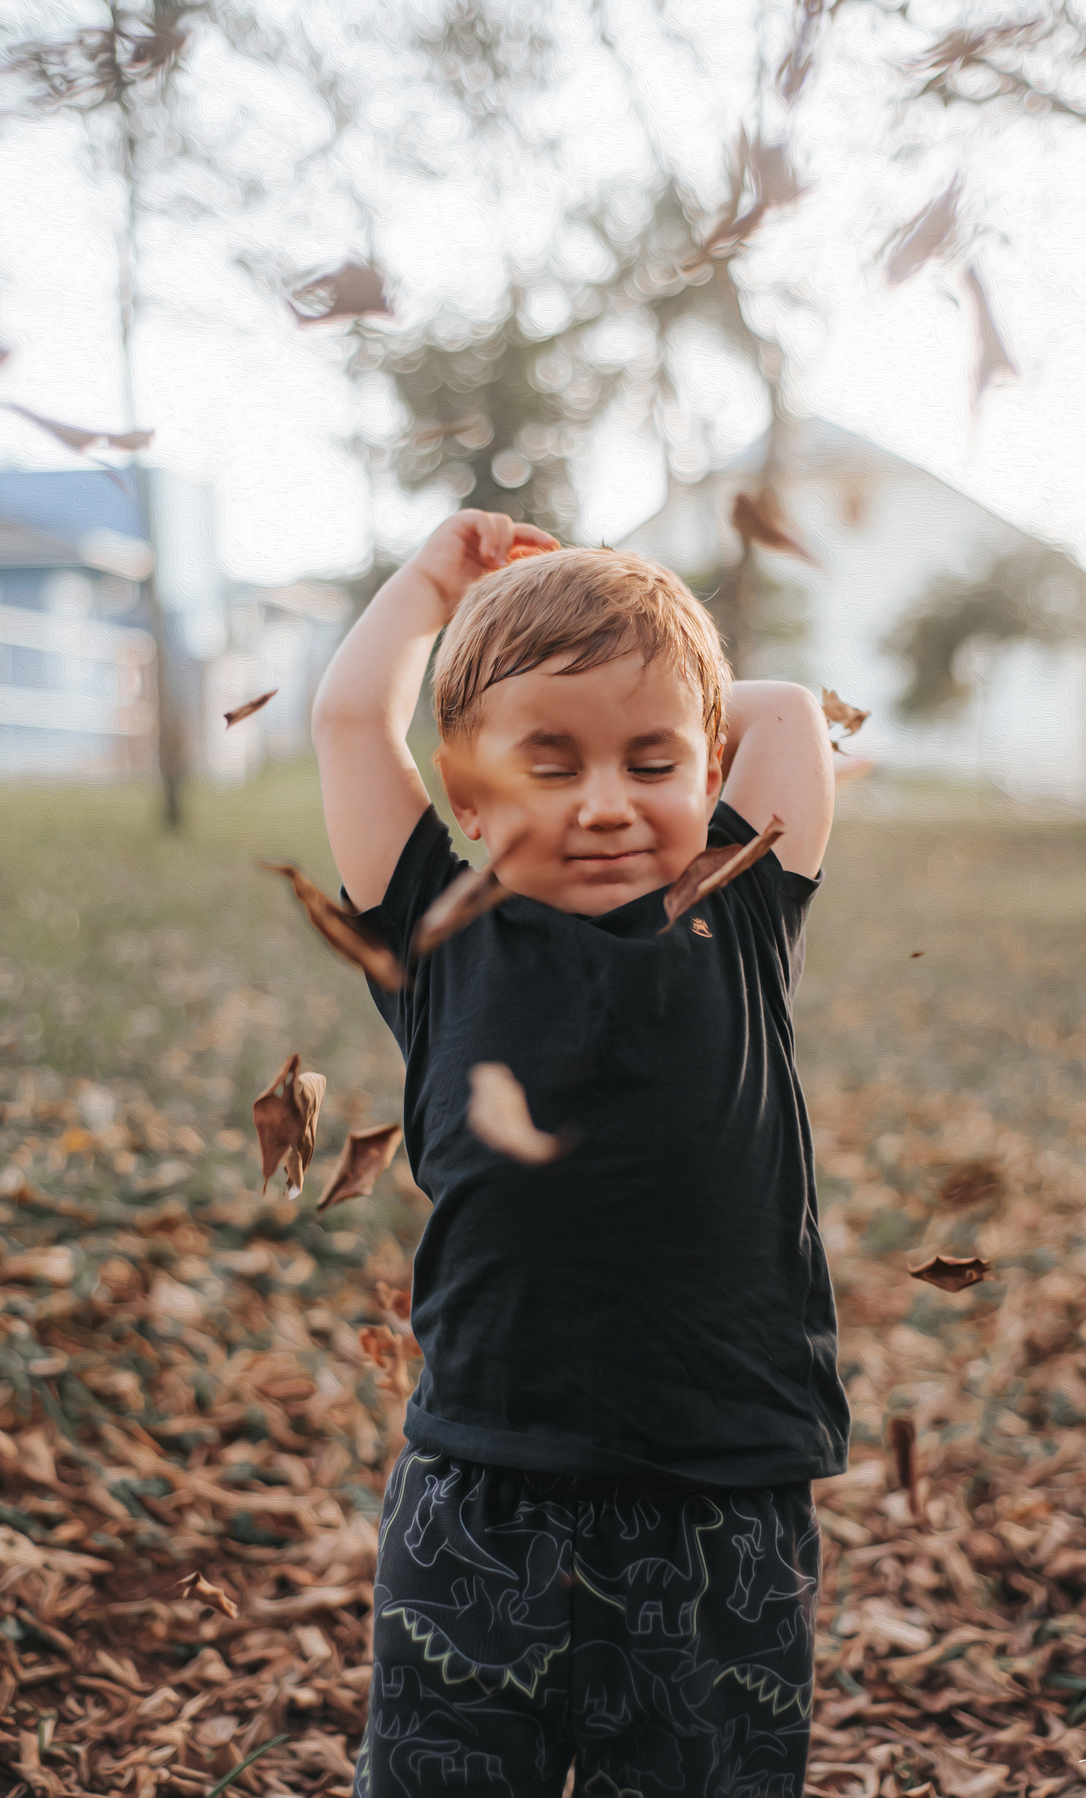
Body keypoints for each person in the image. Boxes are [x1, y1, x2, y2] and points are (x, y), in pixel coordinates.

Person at [312, 508, 850, 1798]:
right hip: (484, 1485)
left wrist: (633, 615)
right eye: (548, 767)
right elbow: (347, 719)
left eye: (652, 765)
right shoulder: (438, 928)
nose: (607, 805)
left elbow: (778, 720)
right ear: (469, 797)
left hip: (721, 1486)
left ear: (706, 770)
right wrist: (445, 579)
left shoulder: (743, 904)